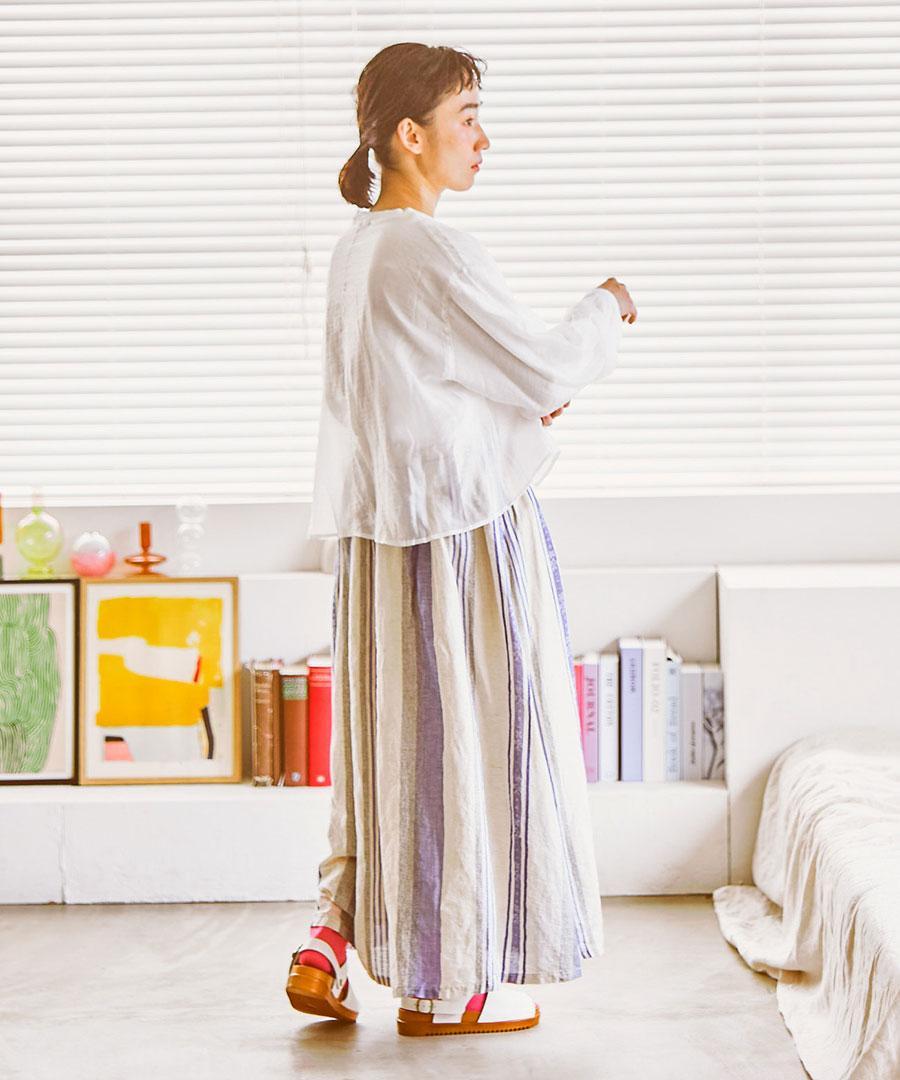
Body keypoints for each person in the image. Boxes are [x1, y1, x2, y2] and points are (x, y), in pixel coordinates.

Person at [285, 41, 637, 1038]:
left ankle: (336, 934)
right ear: (410, 134)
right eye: (467, 116)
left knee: (388, 750)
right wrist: (605, 307)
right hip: (456, 539)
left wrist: (523, 394)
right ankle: (450, 987)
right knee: (474, 748)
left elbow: (421, 392)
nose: (484, 137)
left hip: (376, 539)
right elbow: (541, 367)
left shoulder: (358, 253)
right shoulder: (429, 249)